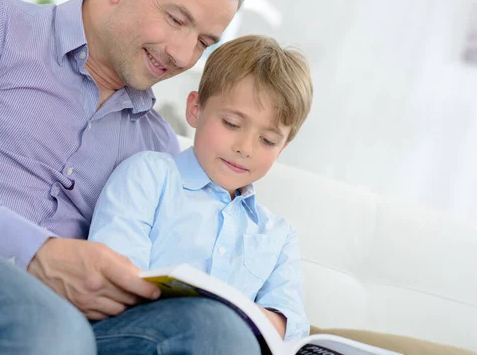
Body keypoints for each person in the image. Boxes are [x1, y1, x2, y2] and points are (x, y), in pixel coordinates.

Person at [0, 0, 256, 354]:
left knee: (221, 336)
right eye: (176, 20)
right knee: (48, 327)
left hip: (74, 321)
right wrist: (34, 252)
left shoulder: (157, 146)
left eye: (204, 42)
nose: (183, 55)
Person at [88, 35, 314, 342]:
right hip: (131, 338)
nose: (245, 148)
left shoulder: (278, 236)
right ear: (195, 109)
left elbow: (289, 326)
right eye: (232, 123)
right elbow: (113, 276)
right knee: (212, 326)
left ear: (283, 148)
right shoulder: (149, 176)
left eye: (267, 141)